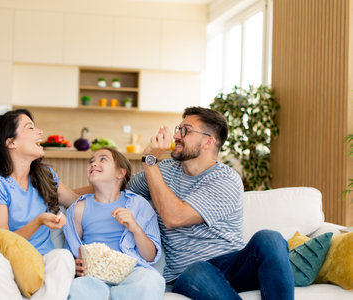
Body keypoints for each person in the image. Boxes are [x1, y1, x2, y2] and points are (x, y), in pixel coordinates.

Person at [128, 106, 294, 300]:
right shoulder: (162, 170)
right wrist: (84, 193)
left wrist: (150, 161)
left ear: (208, 142)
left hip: (232, 267)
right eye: (177, 129)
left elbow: (174, 217)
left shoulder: (226, 179)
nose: (176, 136)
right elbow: (119, 189)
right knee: (198, 270)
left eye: (185, 130)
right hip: (187, 274)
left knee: (270, 238)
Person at [0, 109, 78, 300]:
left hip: (41, 263)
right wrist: (38, 221)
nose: (39, 132)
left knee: (63, 257)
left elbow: (75, 200)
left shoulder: (44, 176)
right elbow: (4, 241)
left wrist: (108, 184)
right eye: (30, 127)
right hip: (7, 265)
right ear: (11, 142)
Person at [62, 147, 165, 300]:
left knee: (150, 280)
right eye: (91, 161)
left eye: (102, 159)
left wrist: (134, 227)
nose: (94, 163)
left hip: (132, 272)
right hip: (94, 276)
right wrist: (75, 265)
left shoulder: (138, 205)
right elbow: (72, 254)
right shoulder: (78, 209)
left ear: (120, 173)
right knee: (77, 288)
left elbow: (150, 256)